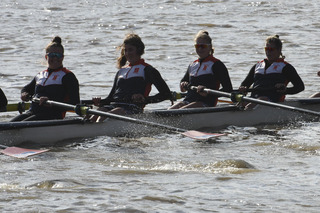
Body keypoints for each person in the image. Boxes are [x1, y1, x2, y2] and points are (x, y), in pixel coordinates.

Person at [90, 33, 172, 122]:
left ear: (139, 50)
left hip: (133, 108)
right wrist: (99, 102)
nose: (127, 53)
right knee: (98, 112)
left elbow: (166, 94)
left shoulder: (148, 70)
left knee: (114, 112)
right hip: (115, 105)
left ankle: (98, 131)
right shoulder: (121, 71)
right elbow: (111, 98)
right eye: (126, 50)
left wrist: (145, 99)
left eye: (131, 50)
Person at [11, 36, 80, 121]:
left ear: (62, 57)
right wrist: (24, 94)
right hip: (32, 111)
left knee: (18, 126)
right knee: (9, 125)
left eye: (58, 55)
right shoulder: (40, 75)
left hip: (53, 115)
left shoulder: (68, 76)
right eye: (52, 55)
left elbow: (75, 102)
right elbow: (26, 89)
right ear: (46, 57)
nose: (55, 58)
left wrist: (51, 103)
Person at [168, 30, 233, 109]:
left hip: (206, 103)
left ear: (209, 47)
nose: (200, 49)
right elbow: (183, 88)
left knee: (181, 111)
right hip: (188, 100)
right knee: (171, 110)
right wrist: (183, 84)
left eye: (203, 46)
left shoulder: (217, 64)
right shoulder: (192, 65)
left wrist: (208, 93)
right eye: (197, 46)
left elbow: (228, 89)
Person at [239, 35, 304, 106]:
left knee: (261, 100)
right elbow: (245, 84)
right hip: (254, 99)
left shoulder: (286, 67)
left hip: (273, 101)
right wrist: (243, 89)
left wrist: (285, 90)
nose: (268, 52)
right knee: (241, 103)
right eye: (266, 49)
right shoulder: (257, 66)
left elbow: (300, 87)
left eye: (271, 49)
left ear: (279, 50)